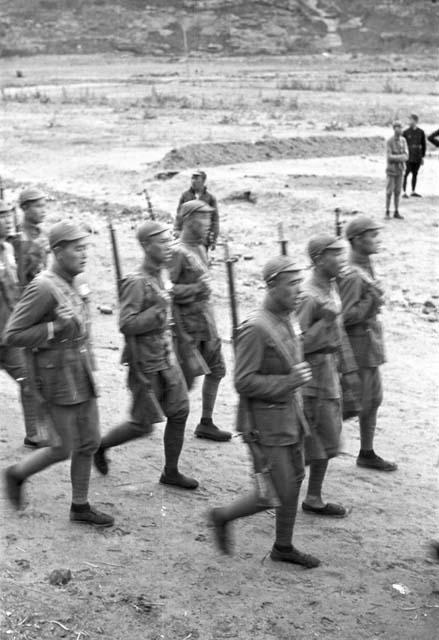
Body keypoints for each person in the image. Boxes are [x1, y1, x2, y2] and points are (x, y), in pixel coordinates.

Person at [209, 256, 320, 568]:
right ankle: (222, 516)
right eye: (292, 283)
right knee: (273, 491)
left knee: (295, 479)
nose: (300, 290)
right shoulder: (256, 327)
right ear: (271, 286)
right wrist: (289, 381)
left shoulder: (287, 318)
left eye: (301, 282)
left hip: (290, 417)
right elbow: (243, 381)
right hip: (264, 424)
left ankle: (283, 546)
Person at [3, 221, 114, 527]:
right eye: (77, 249)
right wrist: (54, 328)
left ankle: (80, 506)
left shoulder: (75, 280)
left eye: (85, 248)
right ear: (57, 251)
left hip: (80, 374)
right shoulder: (43, 286)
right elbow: (13, 334)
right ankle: (16, 473)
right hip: (55, 378)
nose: (84, 255)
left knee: (90, 441)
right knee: (63, 447)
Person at [93, 221, 198, 490]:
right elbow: (126, 324)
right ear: (144, 246)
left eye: (169, 241)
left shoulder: (160, 275)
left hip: (166, 359)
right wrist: (157, 312)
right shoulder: (137, 282)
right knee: (142, 425)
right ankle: (100, 446)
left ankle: (170, 472)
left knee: (180, 411)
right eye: (160, 242)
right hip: (145, 365)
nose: (167, 247)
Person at [297, 234, 358, 517]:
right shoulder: (308, 295)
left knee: (327, 442)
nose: (341, 259)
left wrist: (348, 371)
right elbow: (297, 345)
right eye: (335, 254)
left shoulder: (331, 288)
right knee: (311, 442)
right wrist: (325, 323)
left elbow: (339, 331)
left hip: (329, 374)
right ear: (319, 259)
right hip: (312, 381)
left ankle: (313, 496)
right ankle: (277, 489)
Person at [338, 215, 397, 472]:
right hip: (357, 347)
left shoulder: (364, 265)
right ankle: (311, 447)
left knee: (373, 399)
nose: (377, 240)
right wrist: (371, 301)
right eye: (372, 236)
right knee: (348, 403)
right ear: (357, 240)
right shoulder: (352, 273)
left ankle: (366, 451)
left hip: (368, 344)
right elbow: (345, 317)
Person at [169, 200, 231, 442]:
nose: (208, 224)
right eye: (203, 219)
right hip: (188, 327)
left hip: (207, 323)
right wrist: (195, 288)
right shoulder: (177, 251)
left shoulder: (201, 249)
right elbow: (166, 290)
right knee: (186, 380)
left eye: (209, 218)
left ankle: (206, 421)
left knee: (217, 371)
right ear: (187, 219)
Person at [0, 200, 47, 448]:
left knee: (28, 380)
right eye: (1, 216)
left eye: (9, 214)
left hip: (7, 333)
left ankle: (34, 433)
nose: (7, 220)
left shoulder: (8, 249)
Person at [11, 188, 50, 285]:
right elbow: (16, 275)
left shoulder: (43, 233)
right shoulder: (16, 237)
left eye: (44, 206)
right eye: (38, 206)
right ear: (24, 208)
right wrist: (34, 250)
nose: (43, 211)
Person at [175, 171, 219, 250]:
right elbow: (179, 214)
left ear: (203, 181)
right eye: (192, 178)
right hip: (187, 235)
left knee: (201, 258)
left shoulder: (210, 198)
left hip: (203, 236)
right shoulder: (185, 195)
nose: (193, 181)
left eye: (196, 178)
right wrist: (177, 229)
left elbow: (215, 220)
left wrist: (214, 239)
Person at [385, 121, 409, 220]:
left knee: (398, 191)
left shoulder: (403, 141)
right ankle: (387, 211)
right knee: (389, 192)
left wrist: (399, 157)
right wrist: (401, 157)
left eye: (401, 127)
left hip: (400, 170)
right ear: (394, 129)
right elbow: (389, 157)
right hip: (391, 170)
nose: (400, 130)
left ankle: (396, 211)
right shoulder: (389, 141)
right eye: (398, 127)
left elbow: (407, 156)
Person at [402, 114, 426, 198]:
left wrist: (422, 156)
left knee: (415, 173)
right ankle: (404, 192)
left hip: (417, 156)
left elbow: (423, 145)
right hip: (408, 155)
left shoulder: (421, 132)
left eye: (410, 120)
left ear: (415, 121)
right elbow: (402, 144)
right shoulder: (405, 132)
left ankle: (413, 191)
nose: (409, 122)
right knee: (406, 173)